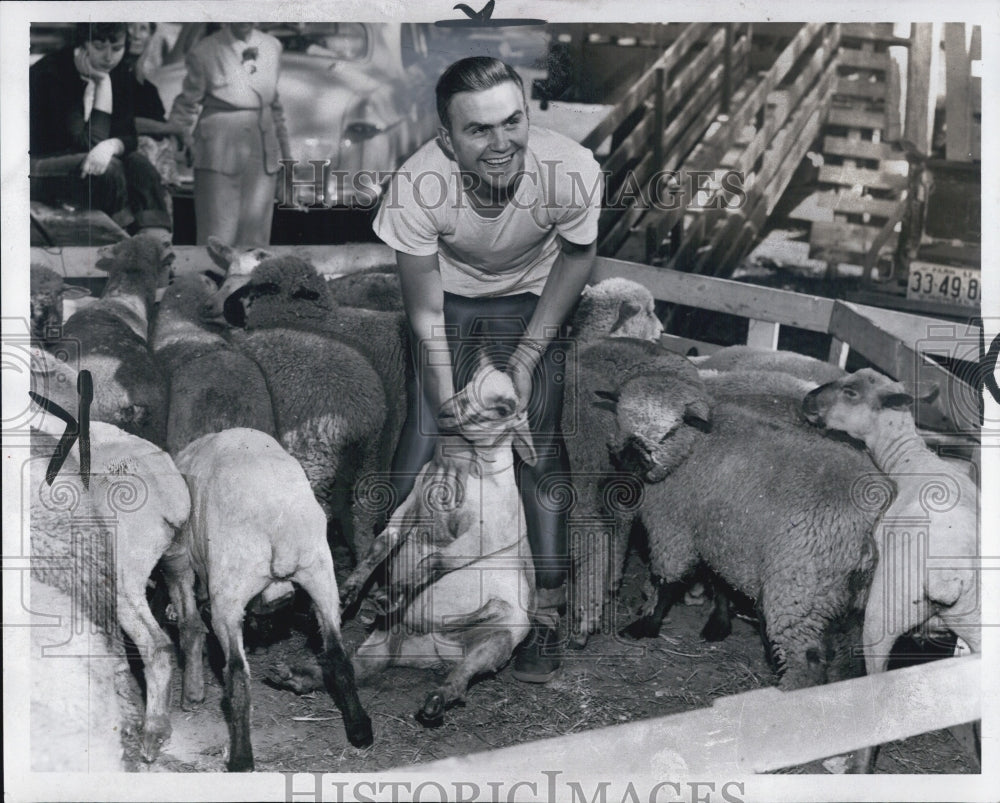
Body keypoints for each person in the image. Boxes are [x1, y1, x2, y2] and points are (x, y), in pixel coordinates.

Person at [372, 56, 602, 683]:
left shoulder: (571, 170)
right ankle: (386, 593)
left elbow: (577, 261)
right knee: (421, 441)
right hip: (450, 299)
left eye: (513, 122)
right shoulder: (418, 185)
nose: (501, 144)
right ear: (447, 139)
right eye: (479, 131)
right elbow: (424, 315)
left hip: (532, 295)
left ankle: (546, 611)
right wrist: (450, 422)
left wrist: (527, 357)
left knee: (538, 443)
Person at [29, 22, 173, 242]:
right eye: (99, 47)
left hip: (80, 158)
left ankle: (156, 240)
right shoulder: (51, 74)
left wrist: (111, 145)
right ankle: (127, 240)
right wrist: (103, 84)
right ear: (83, 43)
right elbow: (85, 143)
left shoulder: (119, 71)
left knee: (138, 163)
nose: (108, 57)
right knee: (109, 170)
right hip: (38, 166)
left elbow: (129, 136)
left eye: (117, 48)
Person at [167, 22, 291, 246]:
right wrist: (176, 142)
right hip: (219, 152)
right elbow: (186, 105)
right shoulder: (205, 50)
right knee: (217, 237)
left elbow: (276, 106)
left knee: (255, 239)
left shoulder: (272, 46)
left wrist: (287, 156)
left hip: (262, 151)